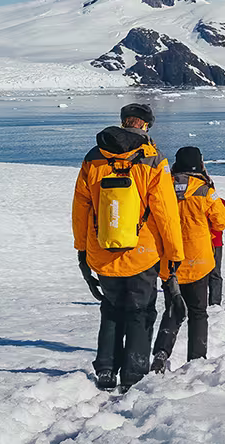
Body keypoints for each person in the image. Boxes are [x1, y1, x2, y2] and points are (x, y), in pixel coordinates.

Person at [72, 104, 184, 391]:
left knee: (111, 309)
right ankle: (133, 375)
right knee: (141, 312)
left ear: (123, 123)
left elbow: (81, 209)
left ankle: (106, 370)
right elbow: (166, 215)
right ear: (146, 126)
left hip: (102, 249)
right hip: (142, 253)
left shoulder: (94, 157)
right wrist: (173, 257)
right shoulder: (152, 160)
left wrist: (82, 250)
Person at [151, 147, 225, 373]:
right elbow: (222, 221)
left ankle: (161, 353)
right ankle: (196, 361)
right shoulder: (204, 190)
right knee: (198, 313)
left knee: (172, 311)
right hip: (198, 263)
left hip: (170, 264)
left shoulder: (163, 186)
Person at [208, 195, 225, 306]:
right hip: (215, 243)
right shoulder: (220, 202)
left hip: (199, 243)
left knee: (199, 274)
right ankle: (214, 303)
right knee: (215, 274)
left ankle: (199, 302)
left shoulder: (194, 199)